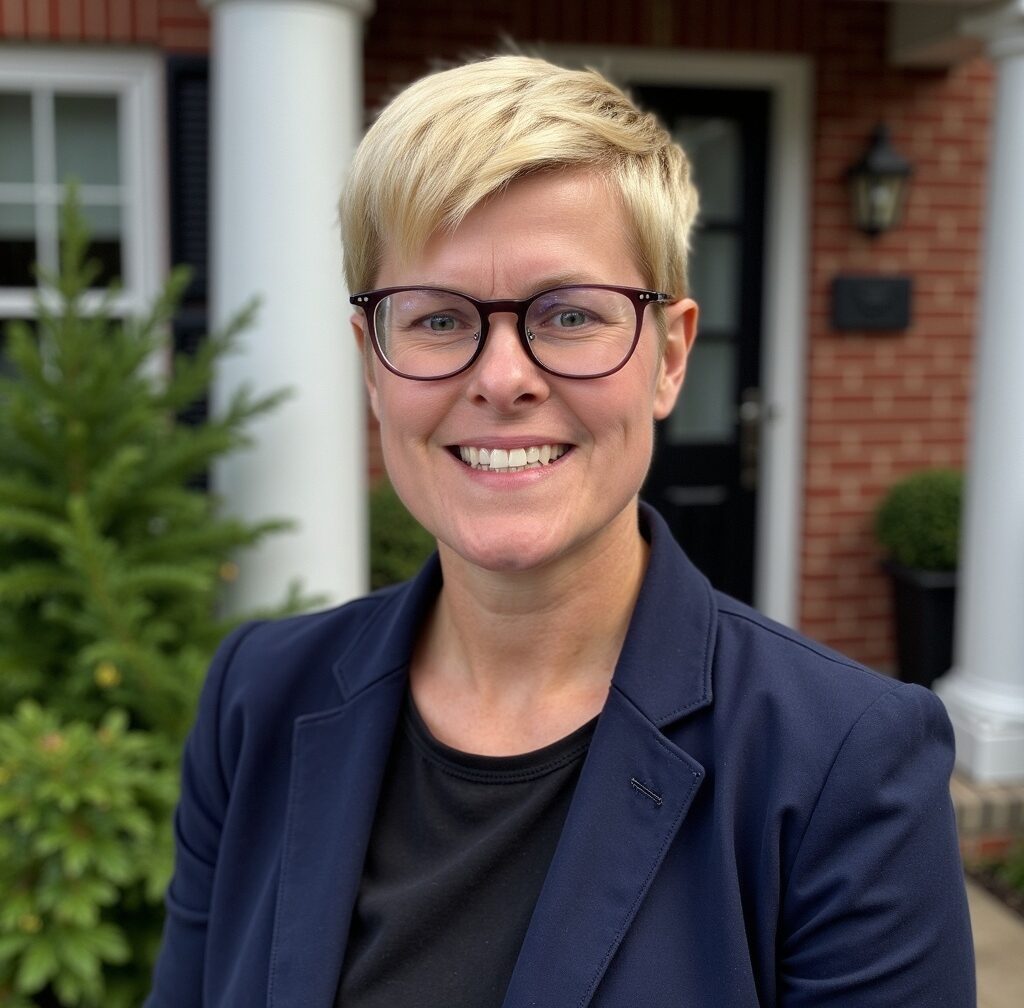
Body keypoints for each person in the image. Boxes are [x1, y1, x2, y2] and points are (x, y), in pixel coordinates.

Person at [145, 55, 975, 1007]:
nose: (503, 378)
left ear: (669, 358)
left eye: (571, 314)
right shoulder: (257, 701)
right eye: (438, 319)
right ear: (372, 367)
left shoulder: (840, 766)